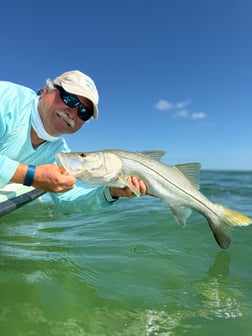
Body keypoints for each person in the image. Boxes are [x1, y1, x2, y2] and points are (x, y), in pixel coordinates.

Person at [0, 70, 146, 214]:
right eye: (69, 99)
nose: (73, 113)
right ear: (46, 90)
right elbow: (33, 176)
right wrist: (32, 175)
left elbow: (66, 201)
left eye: (83, 112)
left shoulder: (60, 152)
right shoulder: (7, 98)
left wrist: (111, 192)